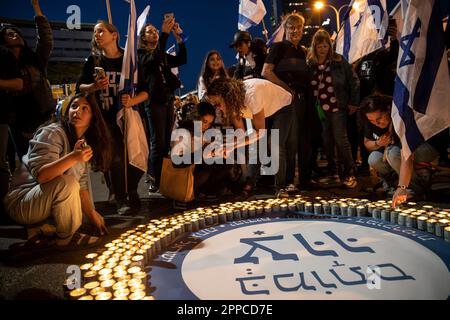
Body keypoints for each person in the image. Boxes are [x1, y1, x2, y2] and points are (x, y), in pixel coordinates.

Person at [3, 93, 112, 250]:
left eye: (84, 108)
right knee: (67, 184)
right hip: (22, 201)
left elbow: (81, 186)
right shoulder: (53, 133)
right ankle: (65, 239)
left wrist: (92, 213)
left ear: (92, 119)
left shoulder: (82, 143)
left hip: (44, 199)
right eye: (74, 106)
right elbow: (42, 175)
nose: (77, 111)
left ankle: (43, 230)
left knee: (87, 218)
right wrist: (73, 157)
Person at [77, 21, 149, 215]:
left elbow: (145, 91)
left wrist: (131, 101)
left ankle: (129, 189)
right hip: (103, 119)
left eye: (101, 31)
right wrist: (94, 86)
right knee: (116, 158)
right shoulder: (94, 61)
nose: (97, 35)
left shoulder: (129, 60)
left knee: (136, 155)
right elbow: (80, 87)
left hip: (128, 118)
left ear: (114, 35)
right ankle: (121, 198)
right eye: (95, 33)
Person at [206, 77, 293, 197]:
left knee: (274, 144)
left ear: (226, 95)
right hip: (264, 108)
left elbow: (260, 132)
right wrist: (229, 146)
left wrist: (232, 145)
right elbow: (242, 134)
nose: (217, 108)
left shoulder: (251, 95)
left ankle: (281, 187)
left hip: (283, 107)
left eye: (217, 103)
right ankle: (250, 184)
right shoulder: (234, 103)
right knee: (255, 145)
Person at [262, 13, 316, 192]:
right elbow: (266, 72)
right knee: (285, 142)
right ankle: (283, 184)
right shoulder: (278, 48)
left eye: (298, 28)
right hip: (284, 101)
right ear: (285, 29)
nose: (295, 31)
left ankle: (295, 181)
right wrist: (287, 89)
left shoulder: (303, 51)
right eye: (291, 27)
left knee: (299, 141)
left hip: (303, 101)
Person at [360, 95, 443, 203]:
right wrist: (378, 143)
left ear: (388, 110)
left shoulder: (401, 118)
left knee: (393, 153)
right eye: (372, 121)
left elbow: (406, 154)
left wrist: (402, 187)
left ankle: (415, 189)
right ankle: (392, 183)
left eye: (379, 119)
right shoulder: (371, 121)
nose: (376, 123)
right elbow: (367, 143)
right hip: (400, 151)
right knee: (374, 158)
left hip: (426, 147)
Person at [0, 0, 55, 160]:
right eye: (10, 34)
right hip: (18, 123)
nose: (16, 35)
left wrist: (36, 7)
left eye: (17, 33)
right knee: (27, 162)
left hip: (43, 117)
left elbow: (46, 39)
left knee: (50, 159)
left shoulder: (35, 60)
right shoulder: (4, 66)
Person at [138, 15, 187, 194]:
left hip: (167, 100)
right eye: (151, 32)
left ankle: (164, 177)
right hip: (154, 102)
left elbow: (181, 59)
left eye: (157, 31)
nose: (155, 34)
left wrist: (179, 38)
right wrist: (165, 34)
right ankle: (153, 178)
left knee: (166, 142)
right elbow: (155, 57)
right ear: (143, 37)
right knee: (157, 143)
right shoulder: (141, 55)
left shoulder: (162, 54)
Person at [307, 29, 359, 188]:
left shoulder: (338, 61)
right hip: (320, 109)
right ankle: (333, 173)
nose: (322, 49)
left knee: (341, 139)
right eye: (319, 46)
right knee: (327, 141)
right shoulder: (311, 63)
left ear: (329, 46)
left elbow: (354, 81)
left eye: (325, 46)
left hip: (337, 106)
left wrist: (353, 102)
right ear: (314, 47)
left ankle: (350, 173)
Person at [0, 45, 23, 221]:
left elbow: (18, 83)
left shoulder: (4, 54)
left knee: (1, 163)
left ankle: (4, 207)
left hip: (2, 116)